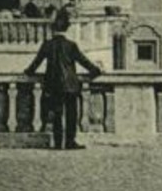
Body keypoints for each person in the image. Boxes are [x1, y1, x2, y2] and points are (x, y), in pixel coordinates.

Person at [24, 11, 103, 150]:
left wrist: (28, 72)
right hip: (71, 84)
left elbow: (34, 65)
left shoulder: (47, 45)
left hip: (53, 85)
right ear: (67, 28)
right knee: (72, 114)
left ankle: (58, 142)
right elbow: (84, 62)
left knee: (57, 114)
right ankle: (70, 141)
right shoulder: (71, 45)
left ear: (53, 28)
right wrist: (96, 71)